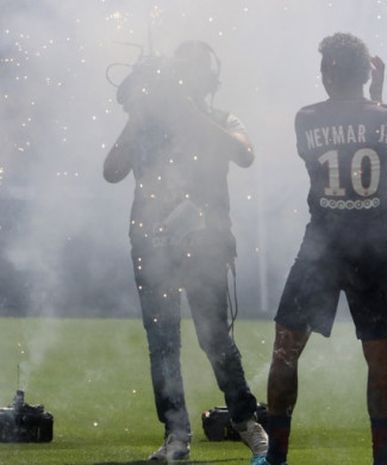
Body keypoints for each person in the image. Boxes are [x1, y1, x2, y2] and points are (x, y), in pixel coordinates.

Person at [103, 40, 268, 462]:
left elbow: (245, 154)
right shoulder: (148, 121)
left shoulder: (219, 117)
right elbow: (112, 171)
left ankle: (246, 419)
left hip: (206, 242)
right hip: (151, 243)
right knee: (162, 342)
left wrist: (190, 113)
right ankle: (176, 435)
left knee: (214, 336)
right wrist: (139, 117)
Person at [254, 33, 387, 465]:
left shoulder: (307, 117)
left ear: (326, 74)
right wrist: (378, 99)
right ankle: (384, 460)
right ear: (366, 73)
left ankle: (276, 459)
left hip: (321, 247)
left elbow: (311, 153)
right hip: (374, 249)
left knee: (285, 351)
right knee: (380, 359)